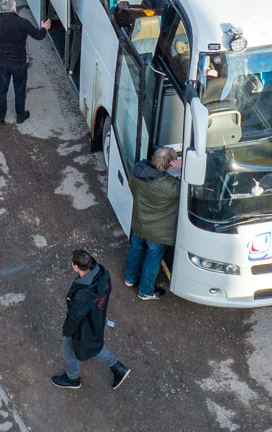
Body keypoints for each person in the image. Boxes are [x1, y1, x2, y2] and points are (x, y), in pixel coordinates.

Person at [53, 249, 129, 390]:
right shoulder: (102, 273)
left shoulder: (83, 294)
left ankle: (72, 379)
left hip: (84, 324)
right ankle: (117, 367)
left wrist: (67, 331)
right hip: (96, 318)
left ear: (76, 266)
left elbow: (74, 317)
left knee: (68, 349)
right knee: (93, 344)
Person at [126, 147, 179, 301]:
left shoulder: (137, 169)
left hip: (138, 221)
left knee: (136, 248)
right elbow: (190, 190)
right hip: (157, 232)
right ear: (170, 164)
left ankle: (130, 278)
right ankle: (145, 290)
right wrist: (184, 169)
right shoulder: (170, 186)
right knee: (153, 258)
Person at [0, 0, 50, 124]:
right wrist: (44, 28)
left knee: (1, 90)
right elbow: (38, 36)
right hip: (19, 63)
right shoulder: (22, 22)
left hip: (2, 62)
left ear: (2, 9)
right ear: (14, 8)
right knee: (20, 89)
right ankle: (20, 115)